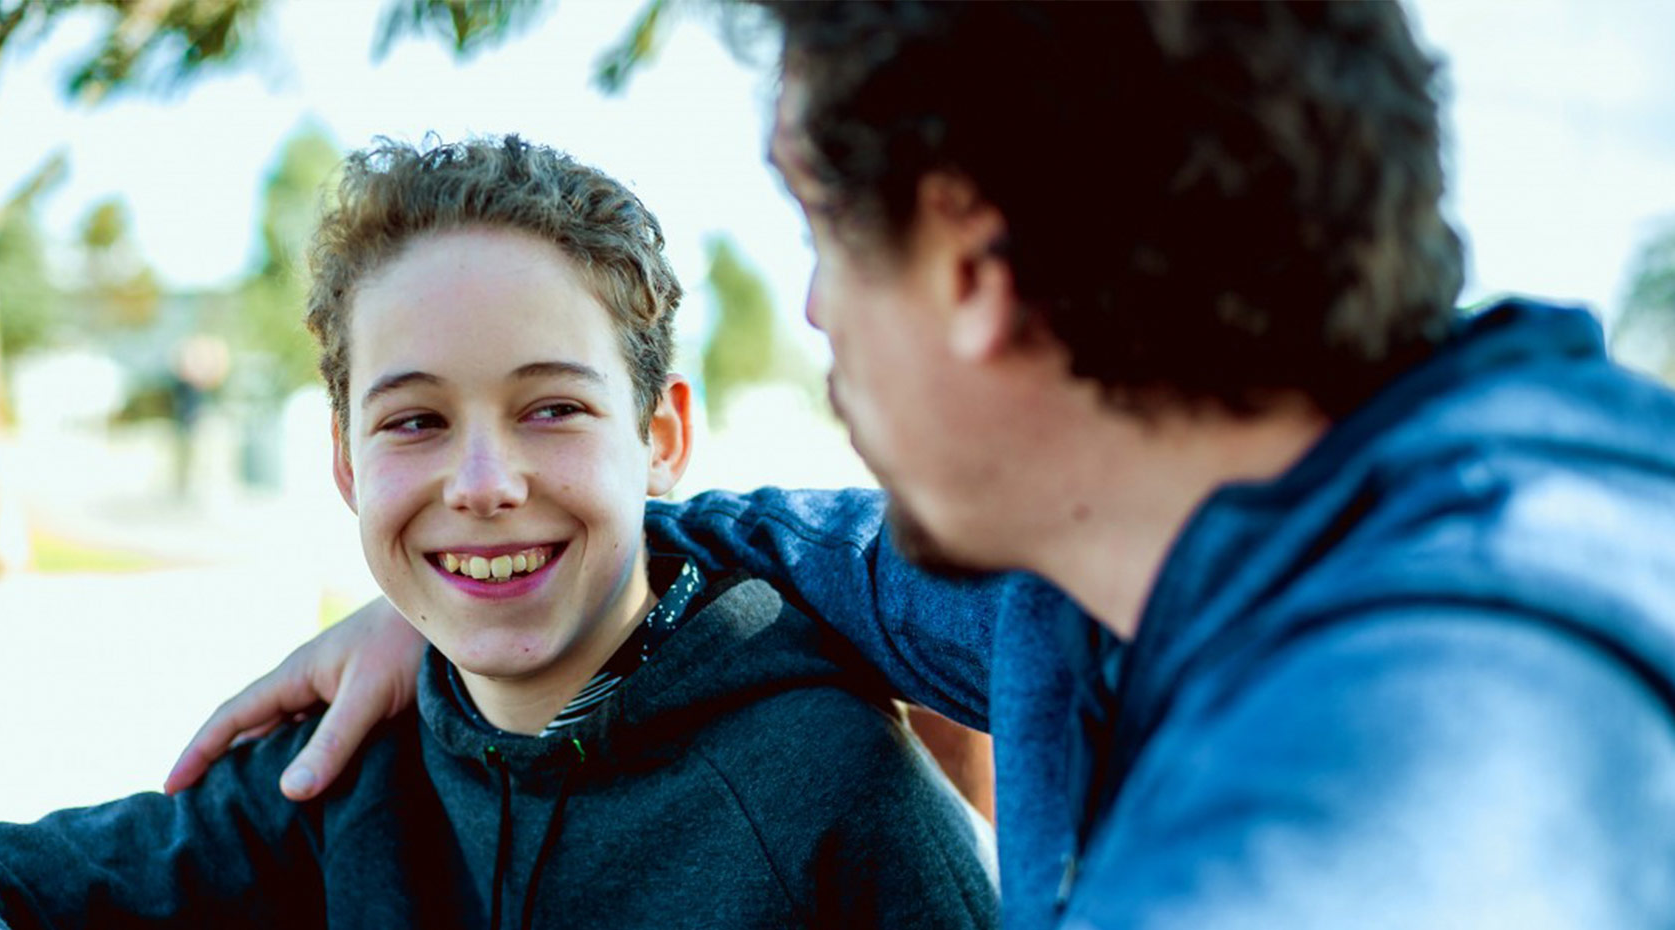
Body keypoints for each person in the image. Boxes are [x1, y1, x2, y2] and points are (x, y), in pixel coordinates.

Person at [167, 3, 1675, 928]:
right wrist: (463, 576)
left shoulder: (1417, 789)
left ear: (969, 264)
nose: (814, 309)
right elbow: (794, 542)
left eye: (822, 237)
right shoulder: (1085, 574)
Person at [0, 136, 1000, 929]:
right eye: (417, 421)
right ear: (344, 463)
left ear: (663, 435)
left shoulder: (829, 792)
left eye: (552, 408)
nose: (482, 482)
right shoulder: (345, 772)